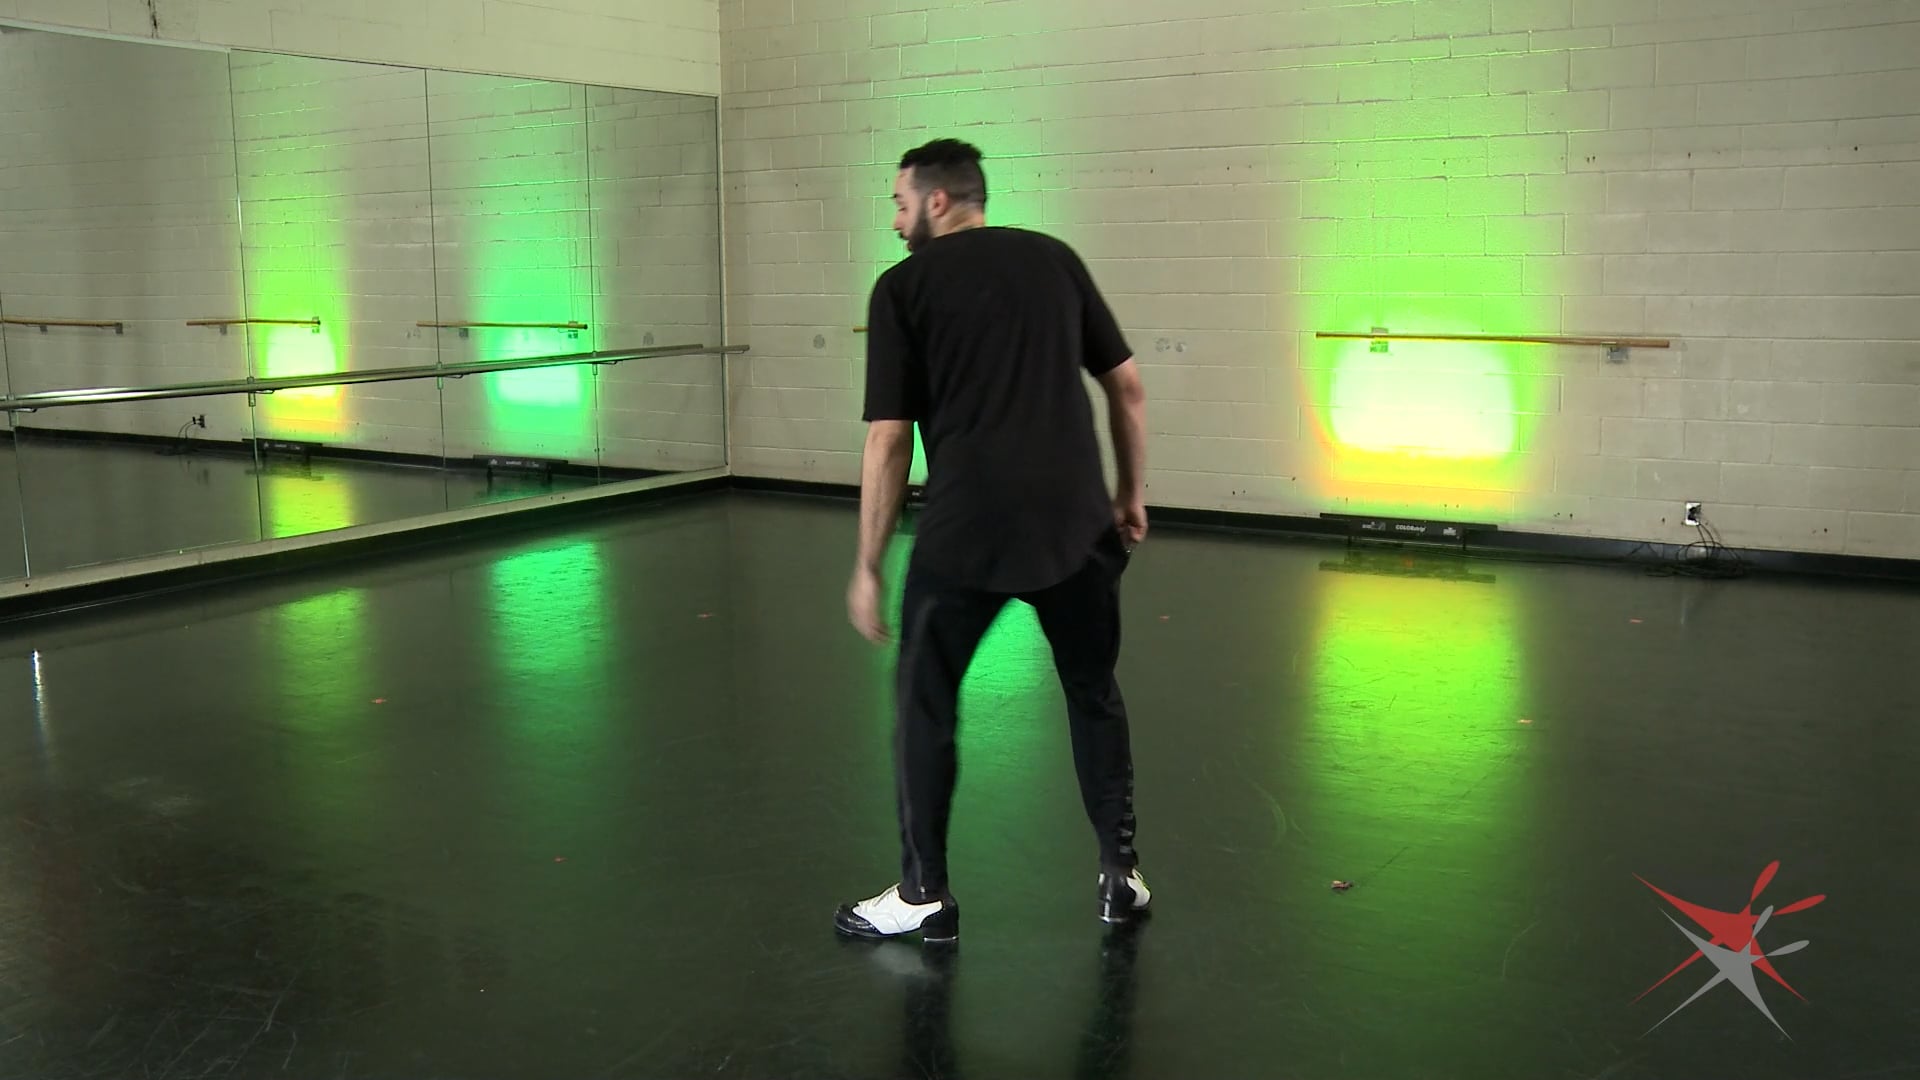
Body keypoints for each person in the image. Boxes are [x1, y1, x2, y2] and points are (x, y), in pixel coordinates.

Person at [834, 138, 1152, 943]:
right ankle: (1120, 877)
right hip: (1076, 524)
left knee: (924, 703)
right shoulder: (1054, 260)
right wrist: (1129, 493)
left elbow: (888, 440)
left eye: (900, 203)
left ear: (937, 201)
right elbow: (1127, 387)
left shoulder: (902, 288)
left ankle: (923, 894)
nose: (896, 220)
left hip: (966, 531)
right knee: (1093, 693)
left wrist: (868, 565)